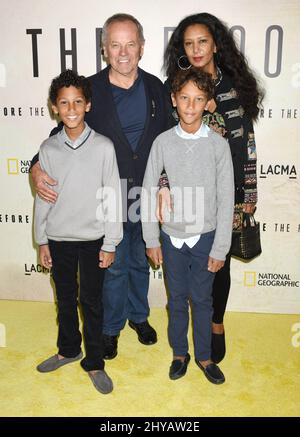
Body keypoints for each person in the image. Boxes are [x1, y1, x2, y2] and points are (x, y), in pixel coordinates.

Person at [30, 14, 170, 360]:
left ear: (141, 47)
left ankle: (139, 316)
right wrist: (35, 165)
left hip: (146, 195)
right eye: (115, 45)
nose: (124, 52)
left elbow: (171, 139)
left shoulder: (158, 88)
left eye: (130, 44)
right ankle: (110, 328)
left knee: (140, 260)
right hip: (106, 197)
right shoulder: (89, 89)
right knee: (115, 264)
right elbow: (60, 135)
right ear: (104, 49)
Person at [158, 13, 263, 363]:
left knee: (220, 265)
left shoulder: (234, 88)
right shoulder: (177, 88)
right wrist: (163, 185)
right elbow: (166, 148)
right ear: (182, 49)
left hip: (227, 193)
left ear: (216, 44)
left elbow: (246, 143)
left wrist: (248, 195)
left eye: (202, 41)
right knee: (187, 268)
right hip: (188, 197)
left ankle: (216, 323)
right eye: (188, 43)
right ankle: (186, 338)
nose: (196, 49)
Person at [141, 68, 234, 384]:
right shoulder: (162, 143)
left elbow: (226, 199)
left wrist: (221, 247)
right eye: (184, 98)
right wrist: (151, 238)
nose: (191, 106)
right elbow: (150, 190)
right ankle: (179, 354)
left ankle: (205, 357)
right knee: (177, 300)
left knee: (203, 301)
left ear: (208, 103)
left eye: (198, 99)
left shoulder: (218, 146)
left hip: (206, 238)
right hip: (171, 239)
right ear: (173, 100)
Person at [34, 69, 123, 394]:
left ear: (87, 105)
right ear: (54, 107)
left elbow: (112, 195)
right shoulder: (48, 149)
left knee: (92, 301)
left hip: (93, 240)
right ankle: (68, 350)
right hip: (58, 240)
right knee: (66, 299)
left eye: (77, 102)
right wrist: (41, 239)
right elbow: (44, 198)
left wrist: (111, 242)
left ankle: (95, 361)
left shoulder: (103, 147)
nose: (71, 108)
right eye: (64, 103)